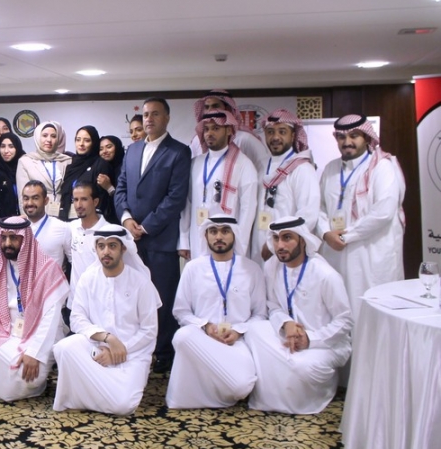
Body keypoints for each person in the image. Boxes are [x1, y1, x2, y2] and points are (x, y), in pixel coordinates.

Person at [115, 97, 191, 374]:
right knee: (132, 297)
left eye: (155, 114)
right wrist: (126, 219)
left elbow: (175, 197)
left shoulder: (179, 152)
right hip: (131, 240)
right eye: (146, 114)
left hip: (160, 239)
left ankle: (163, 352)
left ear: (167, 118)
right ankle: (138, 348)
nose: (149, 119)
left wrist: (145, 226)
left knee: (163, 297)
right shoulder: (133, 150)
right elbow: (121, 187)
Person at [246, 217, 353, 414]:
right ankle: (283, 387)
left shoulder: (324, 274)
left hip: (324, 343)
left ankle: (318, 391)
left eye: (287, 238)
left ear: (303, 240)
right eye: (276, 239)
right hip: (287, 335)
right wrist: (286, 323)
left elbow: (345, 321)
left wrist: (309, 339)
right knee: (252, 329)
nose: (280, 245)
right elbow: (273, 306)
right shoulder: (272, 266)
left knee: (302, 367)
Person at [0, 217, 69, 401]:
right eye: (4, 238)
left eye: (13, 238)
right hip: (5, 329)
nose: (7, 243)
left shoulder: (47, 269)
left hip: (39, 335)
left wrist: (34, 353)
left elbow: (50, 320)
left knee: (28, 377)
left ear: (25, 239)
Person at [52, 226, 159, 415]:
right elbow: (77, 318)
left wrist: (118, 350)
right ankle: (99, 394)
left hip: (132, 354)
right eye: (101, 246)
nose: (106, 251)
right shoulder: (88, 278)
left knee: (124, 406)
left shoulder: (141, 283)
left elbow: (149, 330)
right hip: (96, 348)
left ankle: (84, 395)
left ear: (123, 248)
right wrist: (107, 338)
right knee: (63, 348)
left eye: (112, 246)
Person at [167, 216, 266, 409]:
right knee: (182, 336)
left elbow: (260, 314)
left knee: (242, 387)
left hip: (236, 342)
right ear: (206, 236)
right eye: (213, 232)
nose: (219, 237)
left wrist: (238, 331)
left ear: (234, 235)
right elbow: (181, 311)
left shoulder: (251, 269)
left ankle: (216, 384)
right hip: (202, 340)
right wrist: (205, 326)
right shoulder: (193, 268)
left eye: (225, 231)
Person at [317, 114, 406, 322]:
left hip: (370, 255)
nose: (347, 142)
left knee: (370, 313)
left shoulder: (382, 167)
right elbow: (319, 207)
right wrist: (325, 233)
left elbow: (383, 212)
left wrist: (346, 236)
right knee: (338, 308)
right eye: (341, 137)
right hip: (335, 253)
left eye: (354, 136)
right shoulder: (330, 169)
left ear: (366, 137)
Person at [179, 111, 258, 260]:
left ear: (228, 130)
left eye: (215, 128)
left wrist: (239, 245)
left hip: (228, 242)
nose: (209, 133)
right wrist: (184, 240)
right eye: (206, 129)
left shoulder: (243, 164)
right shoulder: (195, 163)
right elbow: (187, 203)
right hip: (198, 236)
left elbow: (248, 210)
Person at [254, 109, 319, 264]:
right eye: (270, 132)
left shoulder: (302, 169)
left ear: (293, 135)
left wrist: (274, 244)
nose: (275, 137)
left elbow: (308, 215)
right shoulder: (261, 166)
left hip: (286, 249)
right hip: (258, 244)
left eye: (282, 132)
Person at [189, 89, 270, 173]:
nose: (210, 111)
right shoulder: (197, 140)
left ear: (228, 109)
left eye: (215, 106)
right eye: (207, 107)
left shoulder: (246, 139)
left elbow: (264, 169)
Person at [15, 120, 71, 217]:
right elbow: (22, 196)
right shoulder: (25, 161)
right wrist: (28, 219)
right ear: (38, 137)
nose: (49, 140)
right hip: (37, 215)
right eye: (44, 135)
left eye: (53, 136)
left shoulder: (66, 161)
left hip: (63, 213)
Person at [58, 126, 114, 221]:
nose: (81, 144)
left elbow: (102, 199)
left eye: (87, 140)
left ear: (94, 143)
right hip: (67, 219)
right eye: (78, 140)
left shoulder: (101, 164)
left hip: (90, 221)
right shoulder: (71, 164)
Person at [67, 182, 107, 301]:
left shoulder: (108, 232)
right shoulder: (70, 227)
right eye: (75, 200)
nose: (78, 205)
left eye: (84, 199)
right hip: (75, 302)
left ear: (95, 202)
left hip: (100, 301)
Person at [21, 181, 71, 269]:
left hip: (53, 277)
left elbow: (74, 261)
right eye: (26, 198)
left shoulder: (62, 227)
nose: (30, 203)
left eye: (35, 198)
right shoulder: (17, 228)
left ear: (46, 200)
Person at [0, 132, 25, 218]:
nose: (6, 151)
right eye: (2, 146)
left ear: (17, 148)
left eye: (11, 146)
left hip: (24, 219)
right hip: (0, 222)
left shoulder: (24, 169)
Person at [98, 135, 125, 223]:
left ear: (117, 147)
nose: (104, 151)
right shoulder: (100, 169)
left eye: (109, 147)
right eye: (101, 149)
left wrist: (109, 188)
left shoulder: (125, 169)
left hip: (123, 218)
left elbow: (127, 199)